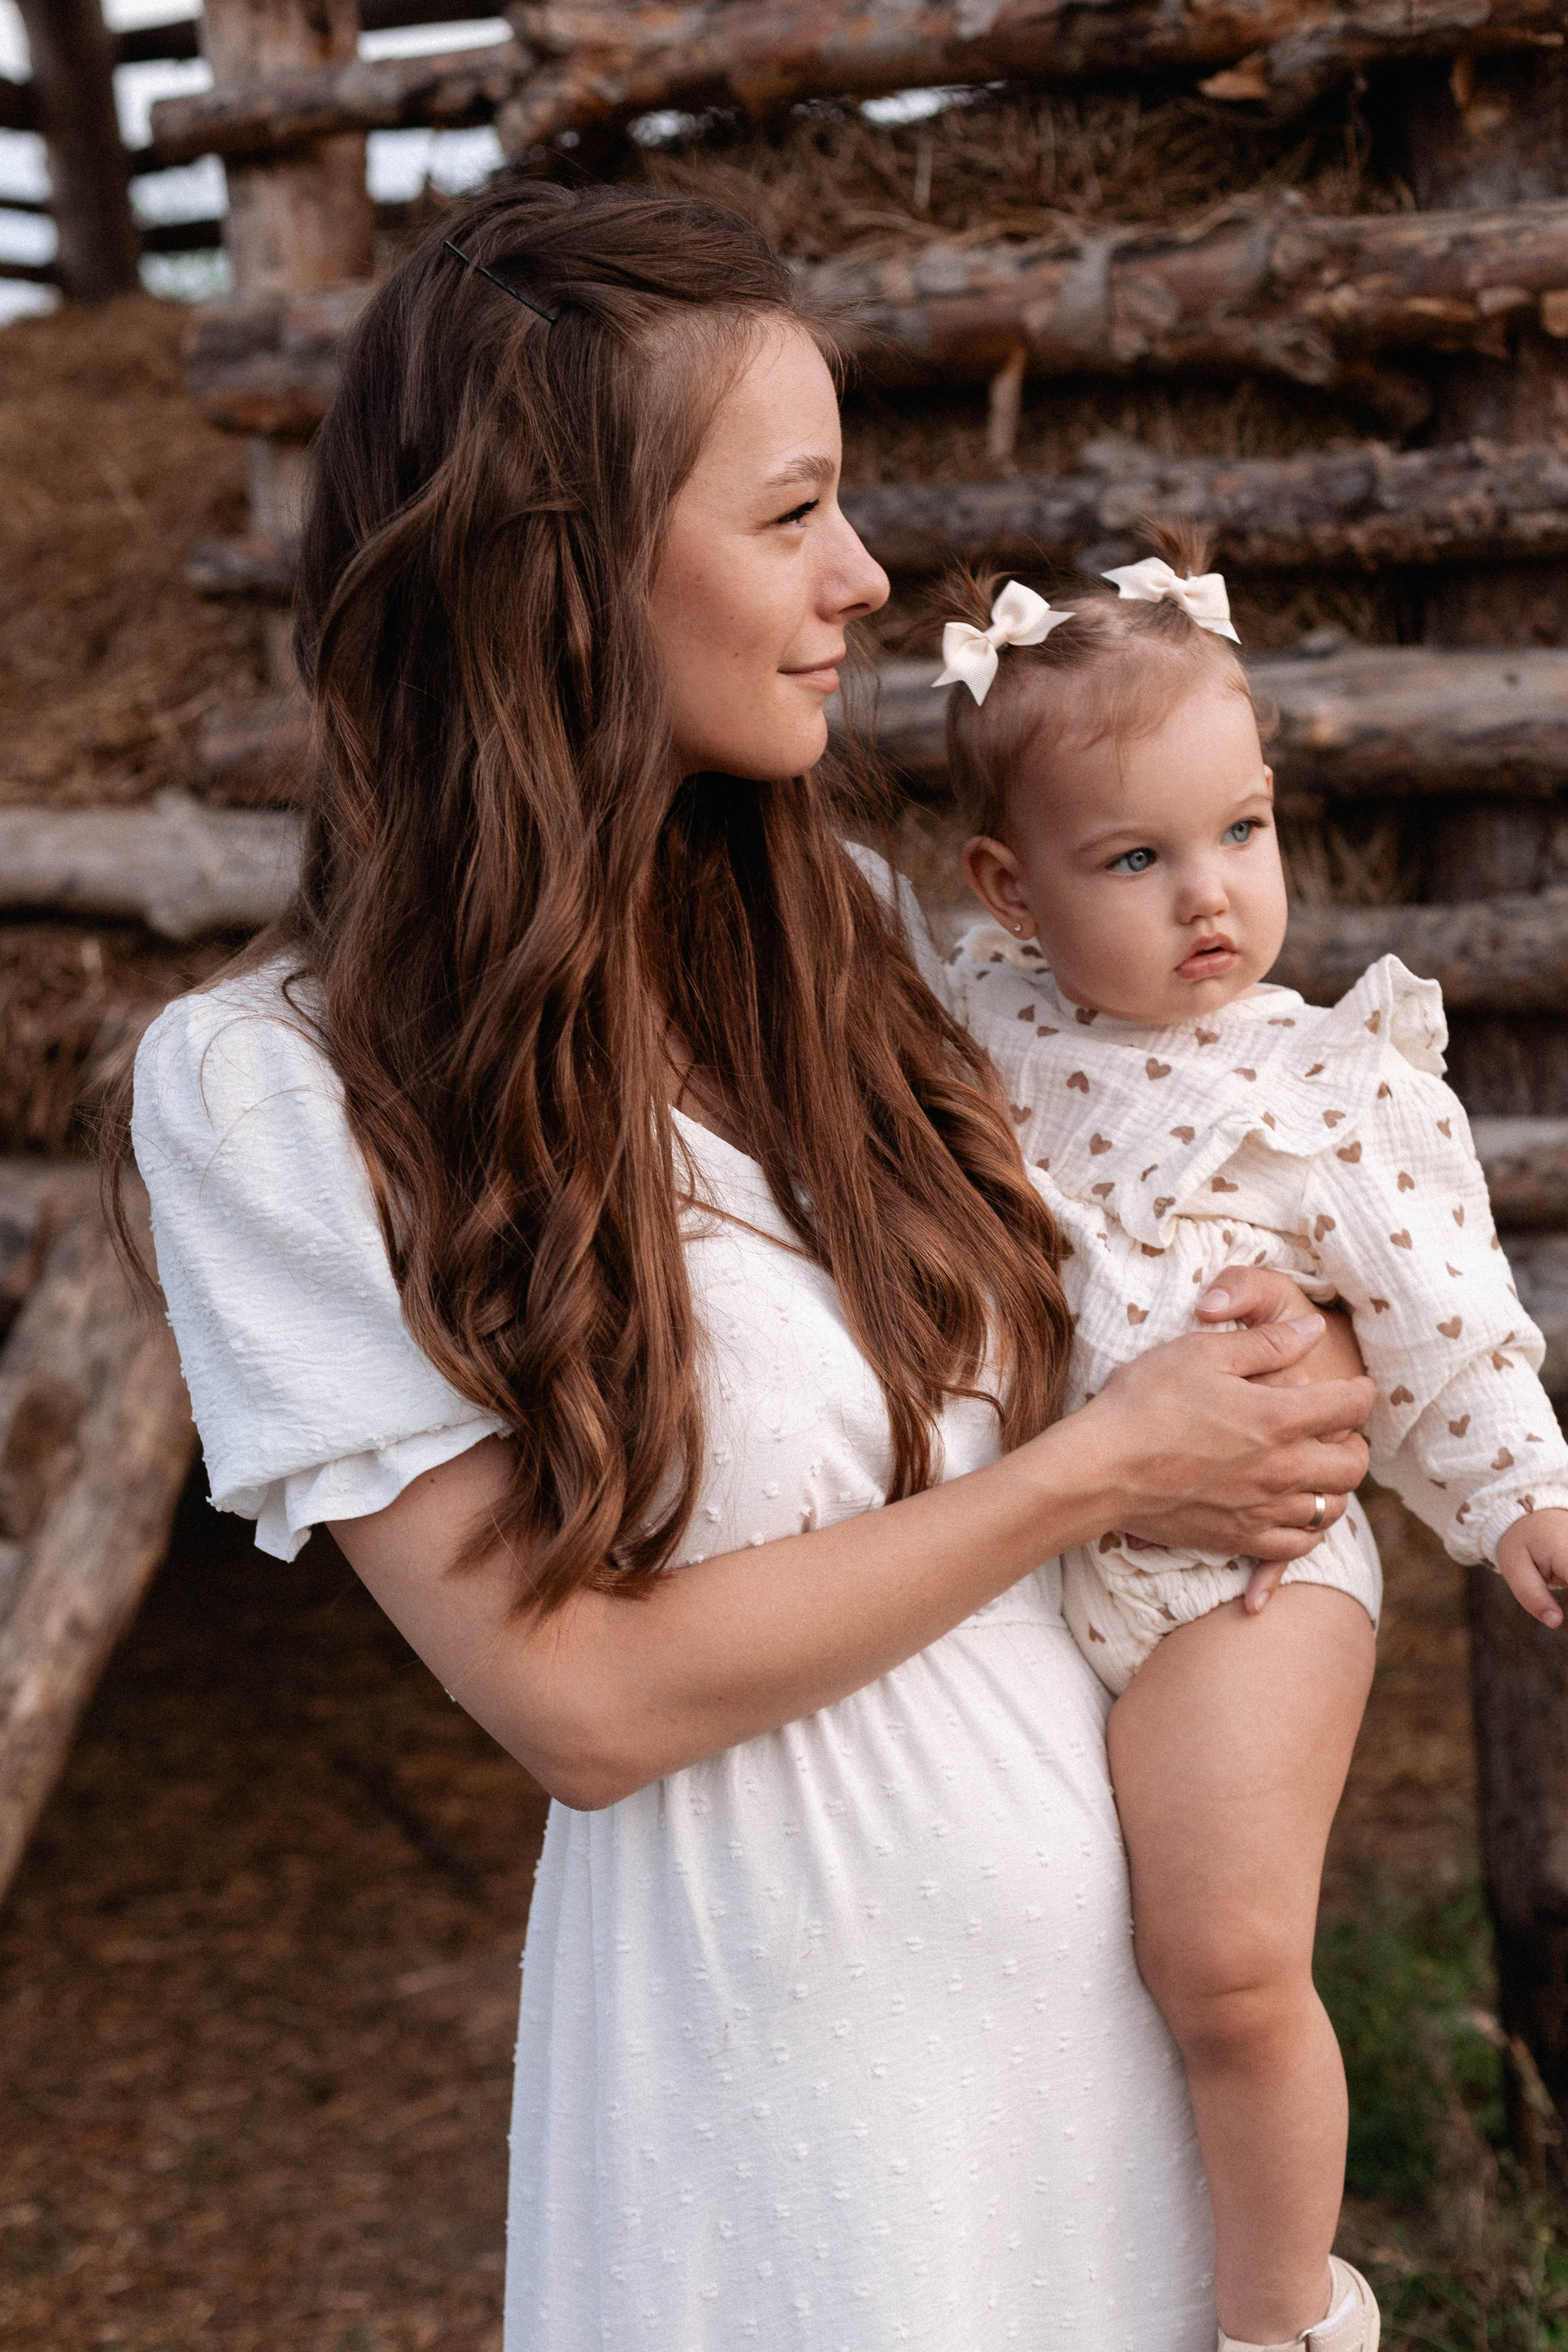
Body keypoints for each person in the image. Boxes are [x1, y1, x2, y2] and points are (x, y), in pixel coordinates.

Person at [119, 186, 1375, 2351]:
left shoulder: (856, 951)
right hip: (785, 2111)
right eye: (791, 513)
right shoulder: (272, 1093)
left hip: (1117, 2070)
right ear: (562, 571)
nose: (864, 576)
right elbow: (582, 1703)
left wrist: (1278, 1370)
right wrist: (1102, 1473)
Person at [937, 537, 1568, 2352]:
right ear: (1011, 887)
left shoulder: (1331, 1083)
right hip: (1037, 1568)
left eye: (1243, 831)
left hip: (1252, 1586)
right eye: (1135, 859)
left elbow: (1442, 1308)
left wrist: (1521, 1493)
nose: (1209, 893)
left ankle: (1285, 2316)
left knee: (1224, 1964)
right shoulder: (974, 1031)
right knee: (1074, 1964)